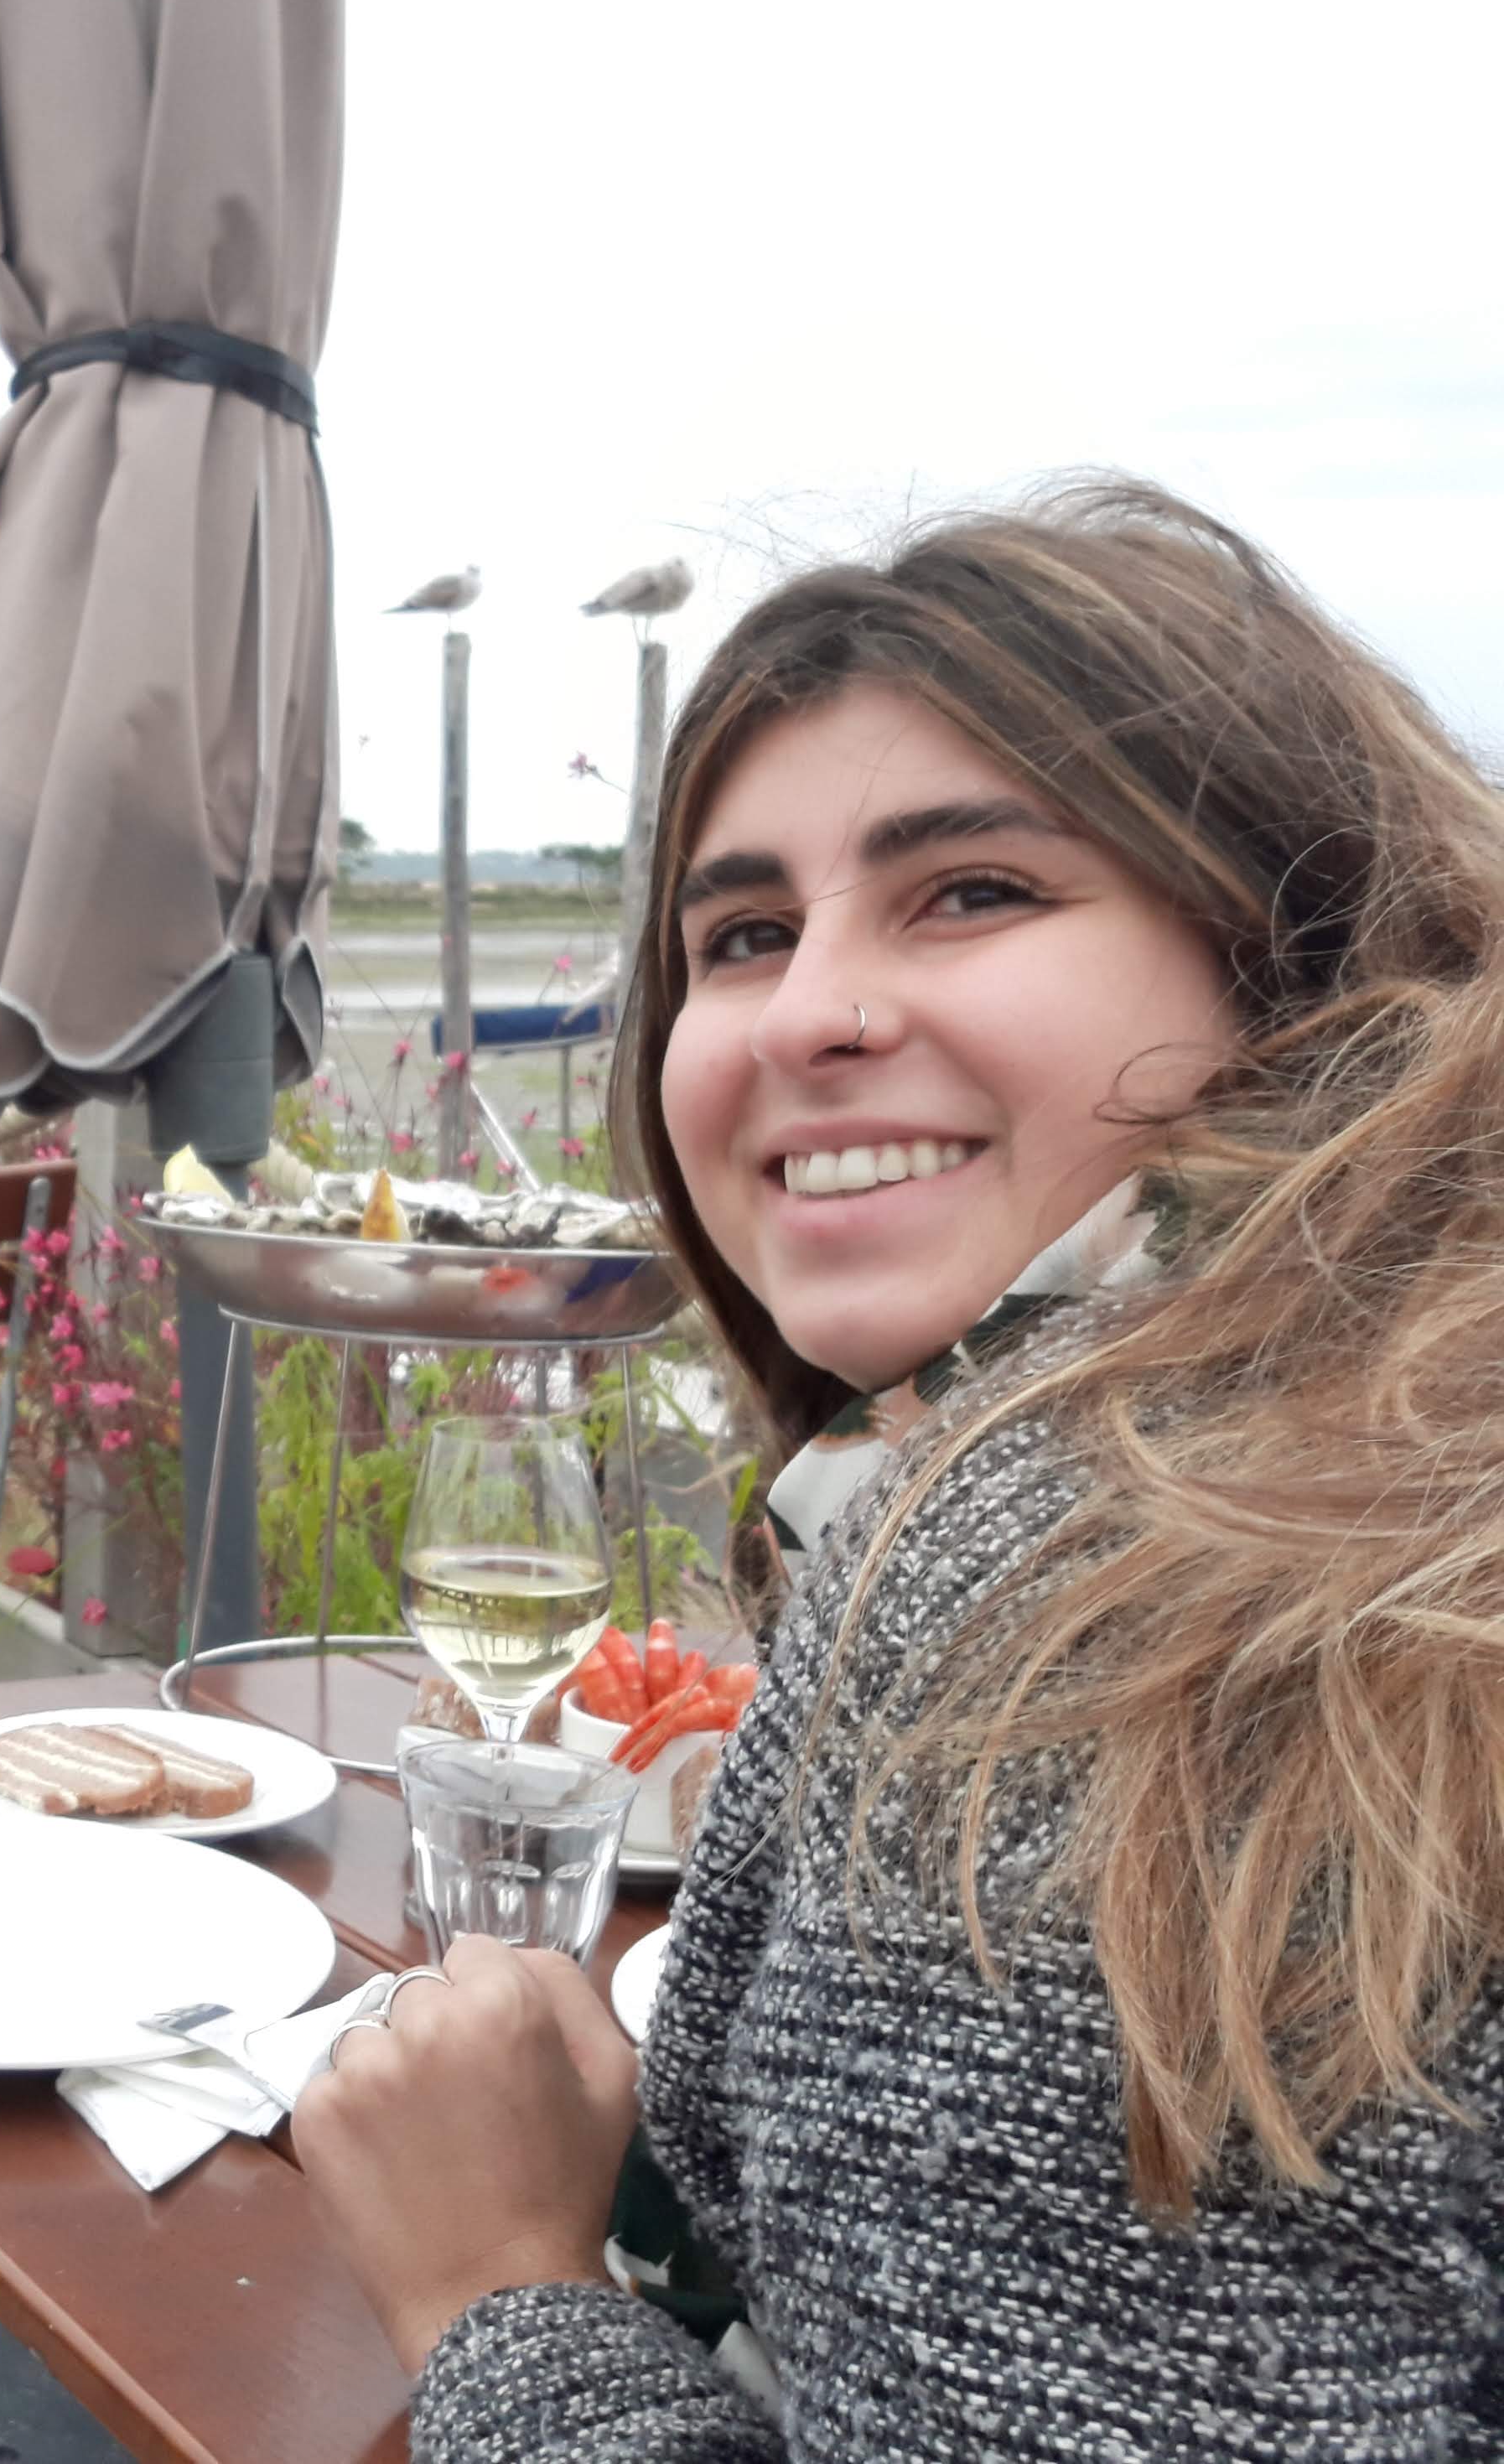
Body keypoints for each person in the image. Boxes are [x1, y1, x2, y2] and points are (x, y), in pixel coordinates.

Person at [293, 481, 1504, 2456]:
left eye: (975, 891)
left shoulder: (1102, 1604)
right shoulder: (1379, 1450)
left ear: (1292, 954)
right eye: (745, 934)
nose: (811, 1013)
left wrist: (495, 2286)